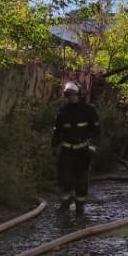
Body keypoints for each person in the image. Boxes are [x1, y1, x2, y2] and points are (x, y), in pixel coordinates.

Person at [52, 81, 100, 215]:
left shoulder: (88, 111)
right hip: (67, 150)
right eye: (68, 95)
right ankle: (65, 204)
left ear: (78, 94)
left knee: (81, 180)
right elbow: (57, 132)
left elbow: (96, 131)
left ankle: (80, 206)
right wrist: (54, 147)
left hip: (83, 151)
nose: (70, 97)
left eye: (72, 95)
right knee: (64, 179)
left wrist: (92, 147)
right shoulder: (63, 112)